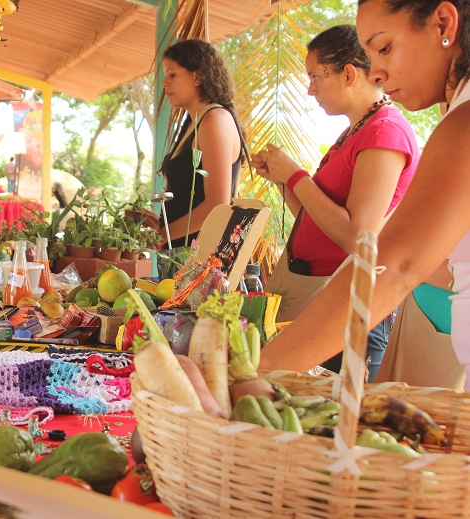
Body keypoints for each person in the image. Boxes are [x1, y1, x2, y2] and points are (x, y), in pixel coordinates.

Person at [260, 0, 470, 391]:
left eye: (385, 47)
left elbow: (390, 259)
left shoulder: (453, 125)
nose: (376, 72)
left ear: (443, 23)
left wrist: (262, 368)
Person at [251, 24, 420, 381]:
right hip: (319, 296)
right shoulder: (357, 131)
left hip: (347, 305)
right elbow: (316, 220)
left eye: (315, 76)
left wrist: (297, 176)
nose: (310, 89)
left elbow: (359, 235)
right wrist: (285, 182)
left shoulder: (385, 129)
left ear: (347, 74)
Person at [157, 39, 245, 250]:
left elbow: (217, 205)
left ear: (196, 76)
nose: (164, 83)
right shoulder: (194, 123)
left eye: (172, 74)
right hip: (182, 255)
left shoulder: (214, 119)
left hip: (201, 263)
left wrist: (160, 236)